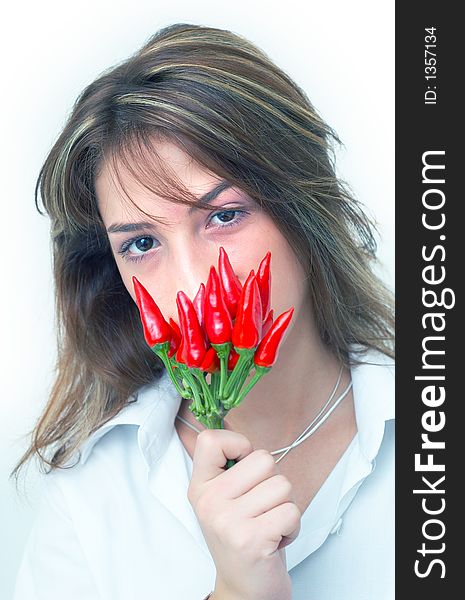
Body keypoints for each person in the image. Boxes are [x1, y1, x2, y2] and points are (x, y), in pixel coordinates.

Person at [10, 22, 395, 600]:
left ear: (302, 210)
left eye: (223, 215)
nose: (190, 284)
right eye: (141, 243)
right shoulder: (90, 496)